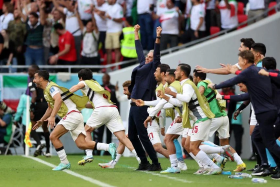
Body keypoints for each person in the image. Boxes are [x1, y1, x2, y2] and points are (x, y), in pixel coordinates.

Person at [209, 50, 280, 180]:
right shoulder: (254, 73)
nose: (239, 63)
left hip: (265, 113)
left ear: (245, 60)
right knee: (258, 137)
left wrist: (215, 86)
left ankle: (271, 166)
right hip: (268, 112)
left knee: (270, 143)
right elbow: (242, 87)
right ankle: (266, 165)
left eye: (240, 60)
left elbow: (232, 81)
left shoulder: (252, 72)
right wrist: (232, 74)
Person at [32, 70, 117, 171]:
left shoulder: (52, 87)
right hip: (75, 115)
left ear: (41, 79)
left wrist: (53, 116)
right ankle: (108, 147)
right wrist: (42, 120)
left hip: (71, 115)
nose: (33, 80)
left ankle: (64, 163)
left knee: (53, 136)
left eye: (35, 78)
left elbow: (58, 99)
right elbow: (50, 107)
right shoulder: (46, 91)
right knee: (82, 144)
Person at [68, 69, 139, 166]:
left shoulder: (84, 82)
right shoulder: (96, 84)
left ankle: (89, 154)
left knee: (86, 130)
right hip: (112, 109)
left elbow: (77, 86)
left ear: (80, 78)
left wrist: (65, 95)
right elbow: (93, 104)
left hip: (102, 110)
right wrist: (79, 105)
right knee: (122, 138)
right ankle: (139, 157)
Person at [162, 64, 222, 175]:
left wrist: (172, 93)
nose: (175, 72)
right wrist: (166, 97)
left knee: (193, 147)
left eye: (177, 71)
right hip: (197, 120)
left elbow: (186, 98)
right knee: (189, 145)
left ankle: (214, 165)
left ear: (182, 73)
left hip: (201, 118)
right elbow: (180, 102)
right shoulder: (184, 84)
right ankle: (208, 164)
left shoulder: (187, 84)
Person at [193, 69, 246, 172]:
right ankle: (240, 163)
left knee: (196, 143)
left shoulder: (201, 83)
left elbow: (201, 91)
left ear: (198, 77)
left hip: (214, 117)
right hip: (223, 117)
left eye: (194, 77)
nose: (193, 78)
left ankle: (214, 161)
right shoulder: (209, 83)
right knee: (225, 143)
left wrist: (192, 100)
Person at [139, 68, 188, 173]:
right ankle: (178, 165)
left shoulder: (172, 87)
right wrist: (145, 104)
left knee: (181, 141)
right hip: (183, 116)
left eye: (165, 76)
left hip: (186, 116)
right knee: (178, 140)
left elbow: (162, 103)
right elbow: (169, 103)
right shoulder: (175, 86)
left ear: (170, 77)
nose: (164, 78)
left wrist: (151, 115)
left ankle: (177, 165)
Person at [128, 25, 162, 171]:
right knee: (131, 135)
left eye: (150, 57)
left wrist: (158, 37)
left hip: (142, 105)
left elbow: (158, 55)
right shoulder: (143, 64)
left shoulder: (153, 68)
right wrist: (136, 33)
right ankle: (143, 161)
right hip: (133, 104)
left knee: (142, 135)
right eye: (147, 56)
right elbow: (138, 50)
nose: (148, 58)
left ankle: (155, 162)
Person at [98, 80, 141, 168]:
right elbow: (119, 98)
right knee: (123, 140)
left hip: (142, 124)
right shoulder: (131, 97)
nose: (124, 93)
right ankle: (113, 163)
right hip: (135, 124)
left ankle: (142, 159)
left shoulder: (139, 99)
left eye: (125, 90)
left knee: (157, 146)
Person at [27, 65, 50, 157]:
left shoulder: (32, 83)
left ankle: (39, 143)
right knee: (45, 128)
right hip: (48, 106)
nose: (29, 72)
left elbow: (34, 96)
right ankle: (48, 151)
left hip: (39, 106)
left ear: (36, 72)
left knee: (32, 127)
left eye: (30, 71)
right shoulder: (48, 82)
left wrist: (31, 109)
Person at [95, 73, 120, 155]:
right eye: (103, 78)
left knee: (109, 133)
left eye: (105, 78)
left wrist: (116, 91)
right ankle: (98, 150)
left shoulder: (113, 88)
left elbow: (116, 101)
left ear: (109, 79)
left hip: (110, 114)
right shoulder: (99, 87)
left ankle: (108, 151)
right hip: (101, 113)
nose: (104, 80)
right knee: (100, 133)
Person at [105, 0, 123, 71]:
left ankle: (116, 66)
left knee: (116, 49)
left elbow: (120, 19)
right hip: (108, 30)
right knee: (108, 49)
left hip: (116, 30)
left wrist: (111, 18)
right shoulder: (107, 7)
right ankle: (108, 67)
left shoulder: (118, 7)